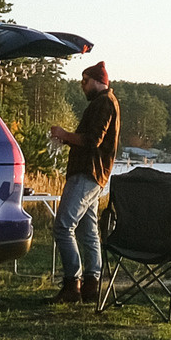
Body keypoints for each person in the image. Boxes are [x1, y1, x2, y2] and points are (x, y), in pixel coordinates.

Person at [46, 61, 120, 304]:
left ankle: (72, 284)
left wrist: (65, 135)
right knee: (88, 231)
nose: (82, 86)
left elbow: (93, 140)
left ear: (98, 80)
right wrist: (67, 140)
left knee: (63, 226)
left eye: (85, 81)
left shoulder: (104, 103)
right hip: (95, 175)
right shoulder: (106, 102)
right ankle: (91, 285)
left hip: (87, 173)